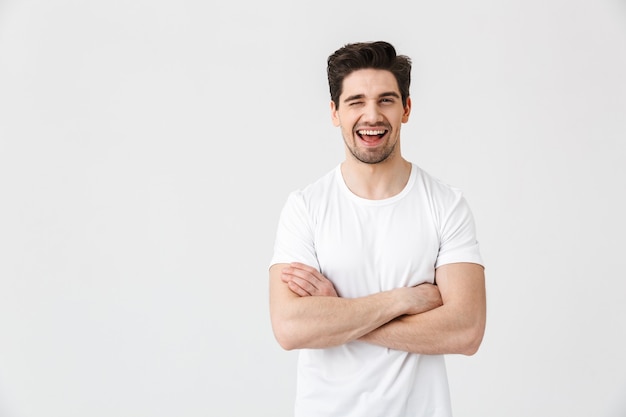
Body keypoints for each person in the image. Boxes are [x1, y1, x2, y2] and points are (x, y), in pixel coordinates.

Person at [268, 40, 486, 417]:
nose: (372, 116)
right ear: (335, 112)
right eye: (356, 102)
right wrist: (403, 300)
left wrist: (336, 313)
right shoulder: (305, 207)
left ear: (407, 108)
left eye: (386, 100)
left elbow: (466, 331)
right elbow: (290, 328)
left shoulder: (446, 205)